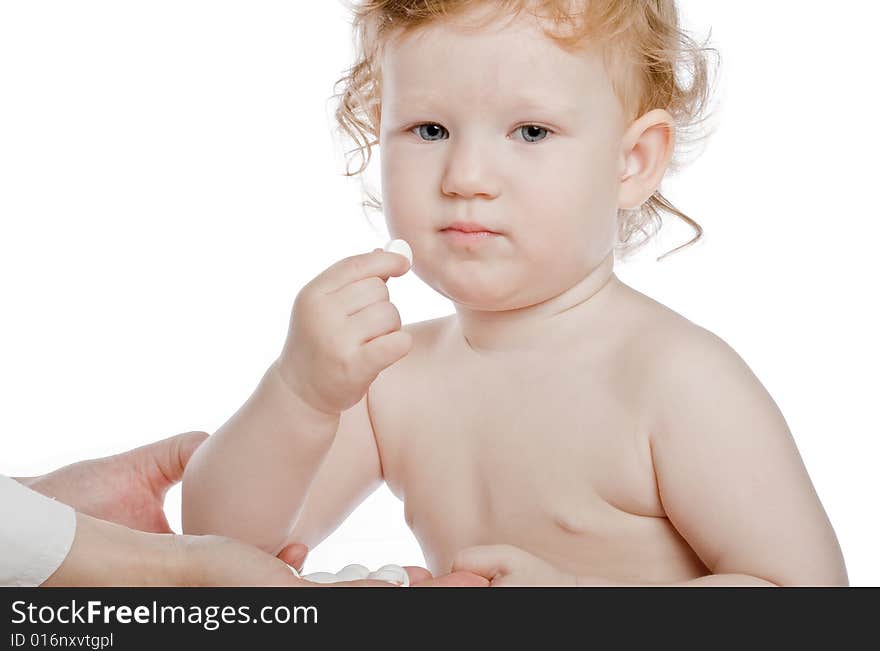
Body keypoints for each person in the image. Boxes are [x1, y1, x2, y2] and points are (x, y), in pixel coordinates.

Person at [182, 0, 848, 586]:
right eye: (429, 130)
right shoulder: (393, 383)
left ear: (632, 161)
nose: (466, 176)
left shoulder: (674, 381)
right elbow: (218, 553)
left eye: (530, 131)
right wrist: (299, 394)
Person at [3, 432, 474, 586]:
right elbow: (231, 541)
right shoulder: (392, 370)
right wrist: (302, 388)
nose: (462, 193)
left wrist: (49, 510)